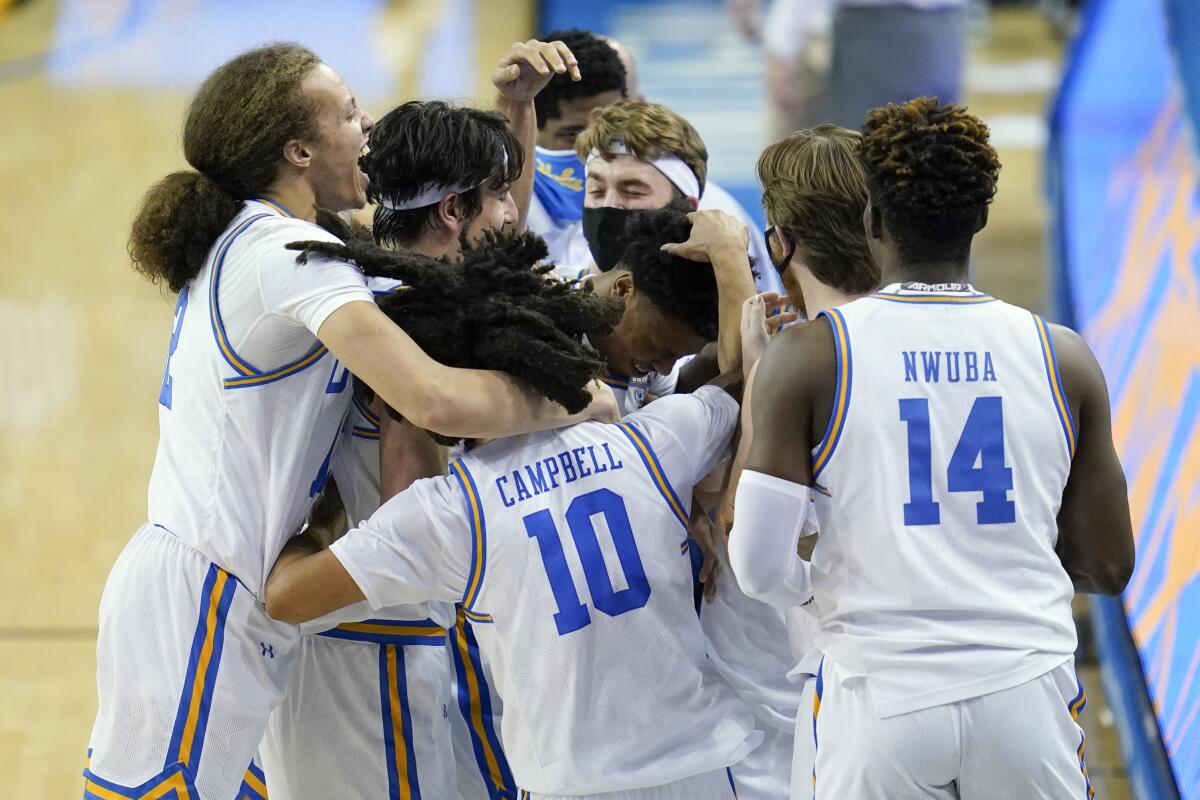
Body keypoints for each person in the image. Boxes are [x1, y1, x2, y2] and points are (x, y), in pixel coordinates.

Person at [84, 42, 614, 800]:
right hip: (226, 590)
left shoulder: (286, 245)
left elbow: (472, 256)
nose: (368, 126)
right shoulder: (293, 255)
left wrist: (516, 113)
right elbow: (431, 395)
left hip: (252, 589)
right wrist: (581, 399)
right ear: (298, 149)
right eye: (348, 112)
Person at [729, 97, 1134, 798]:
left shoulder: (811, 356)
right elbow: (1108, 564)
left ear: (872, 220)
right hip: (1025, 693)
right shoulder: (1061, 356)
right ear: (978, 218)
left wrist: (827, 587)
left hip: (879, 694)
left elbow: (761, 570)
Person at [263, 230, 762, 799]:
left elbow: (285, 596)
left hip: (573, 784)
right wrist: (732, 263)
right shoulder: (649, 440)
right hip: (704, 764)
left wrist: (326, 513)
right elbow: (750, 382)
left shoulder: (454, 510)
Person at [259, 95, 531, 800]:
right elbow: (413, 504)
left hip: (383, 619)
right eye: (499, 195)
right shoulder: (408, 317)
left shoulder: (369, 290)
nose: (511, 215)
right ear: (451, 211)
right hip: (366, 628)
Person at [704, 124, 879, 800]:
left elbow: (754, 555)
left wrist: (758, 380)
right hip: (1015, 678)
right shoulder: (1021, 341)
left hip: (871, 687)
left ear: (780, 243)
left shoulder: (801, 361)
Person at [602, 37, 782, 295]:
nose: (609, 203)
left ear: (687, 204)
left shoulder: (718, 224)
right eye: (596, 190)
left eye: (633, 191)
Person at [528, 28, 628, 271]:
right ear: (530, 129)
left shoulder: (680, 199)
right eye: (574, 134)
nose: (595, 148)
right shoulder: (492, 213)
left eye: (610, 128)